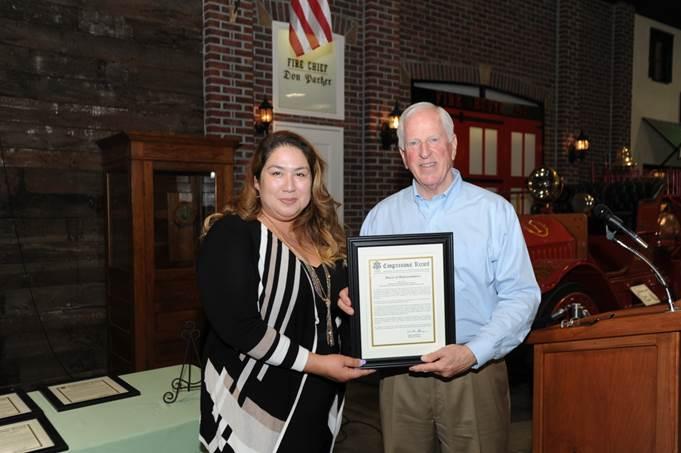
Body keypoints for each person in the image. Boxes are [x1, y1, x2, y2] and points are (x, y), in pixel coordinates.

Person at [339, 102, 541, 453]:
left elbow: (522, 295)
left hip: (474, 374)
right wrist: (356, 297)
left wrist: (472, 352)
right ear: (403, 155)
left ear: (453, 145)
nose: (425, 152)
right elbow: (371, 292)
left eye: (433, 139)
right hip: (400, 377)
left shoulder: (495, 213)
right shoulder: (381, 217)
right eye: (414, 144)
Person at [198, 130, 373, 453]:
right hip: (251, 408)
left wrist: (352, 306)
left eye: (300, 174)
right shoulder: (234, 234)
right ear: (256, 182)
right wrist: (319, 364)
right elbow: (241, 328)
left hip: (319, 403)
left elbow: (332, 311)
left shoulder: (325, 239)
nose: (289, 186)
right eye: (277, 173)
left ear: (313, 181)